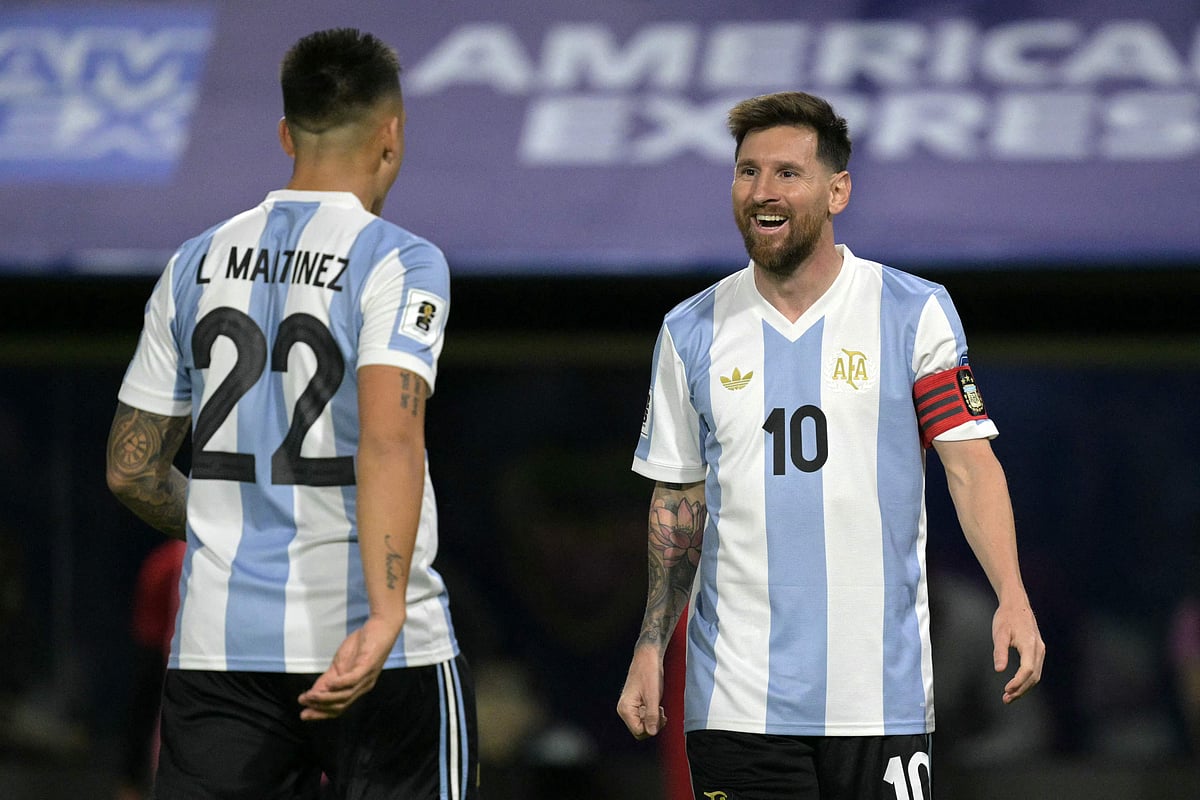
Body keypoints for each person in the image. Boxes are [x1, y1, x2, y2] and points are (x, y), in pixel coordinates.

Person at [616, 91, 1045, 799]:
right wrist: (648, 645)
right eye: (747, 172)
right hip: (736, 705)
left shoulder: (912, 312)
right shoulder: (689, 331)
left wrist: (1013, 594)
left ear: (837, 190)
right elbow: (679, 501)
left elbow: (969, 465)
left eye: (786, 172)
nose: (762, 192)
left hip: (879, 696)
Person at [105, 28, 478, 800]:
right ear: (392, 134)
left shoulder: (192, 262)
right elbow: (389, 437)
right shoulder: (401, 260)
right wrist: (382, 618)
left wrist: (235, 520)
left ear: (285, 134)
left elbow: (131, 467)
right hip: (380, 651)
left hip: (218, 656)